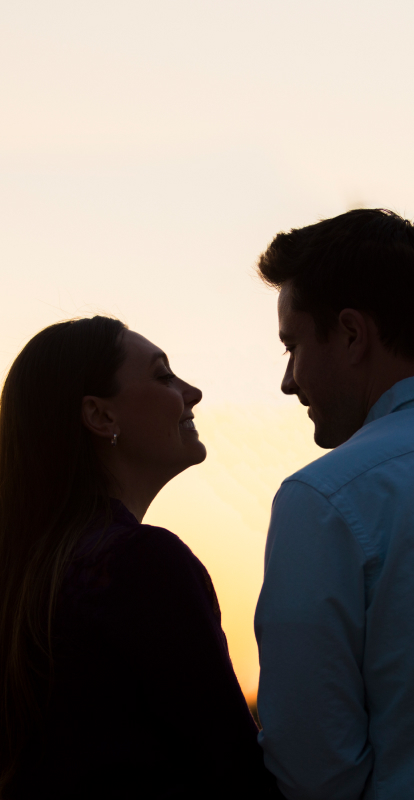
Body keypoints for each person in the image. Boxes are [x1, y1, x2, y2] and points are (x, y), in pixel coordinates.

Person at [0, 316, 280, 799]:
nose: (192, 393)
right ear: (101, 416)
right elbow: (235, 769)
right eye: (163, 375)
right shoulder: (139, 566)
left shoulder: (32, 575)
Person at [254, 209, 414, 800]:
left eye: (291, 347)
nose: (288, 381)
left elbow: (312, 768)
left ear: (351, 334)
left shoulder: (327, 498)